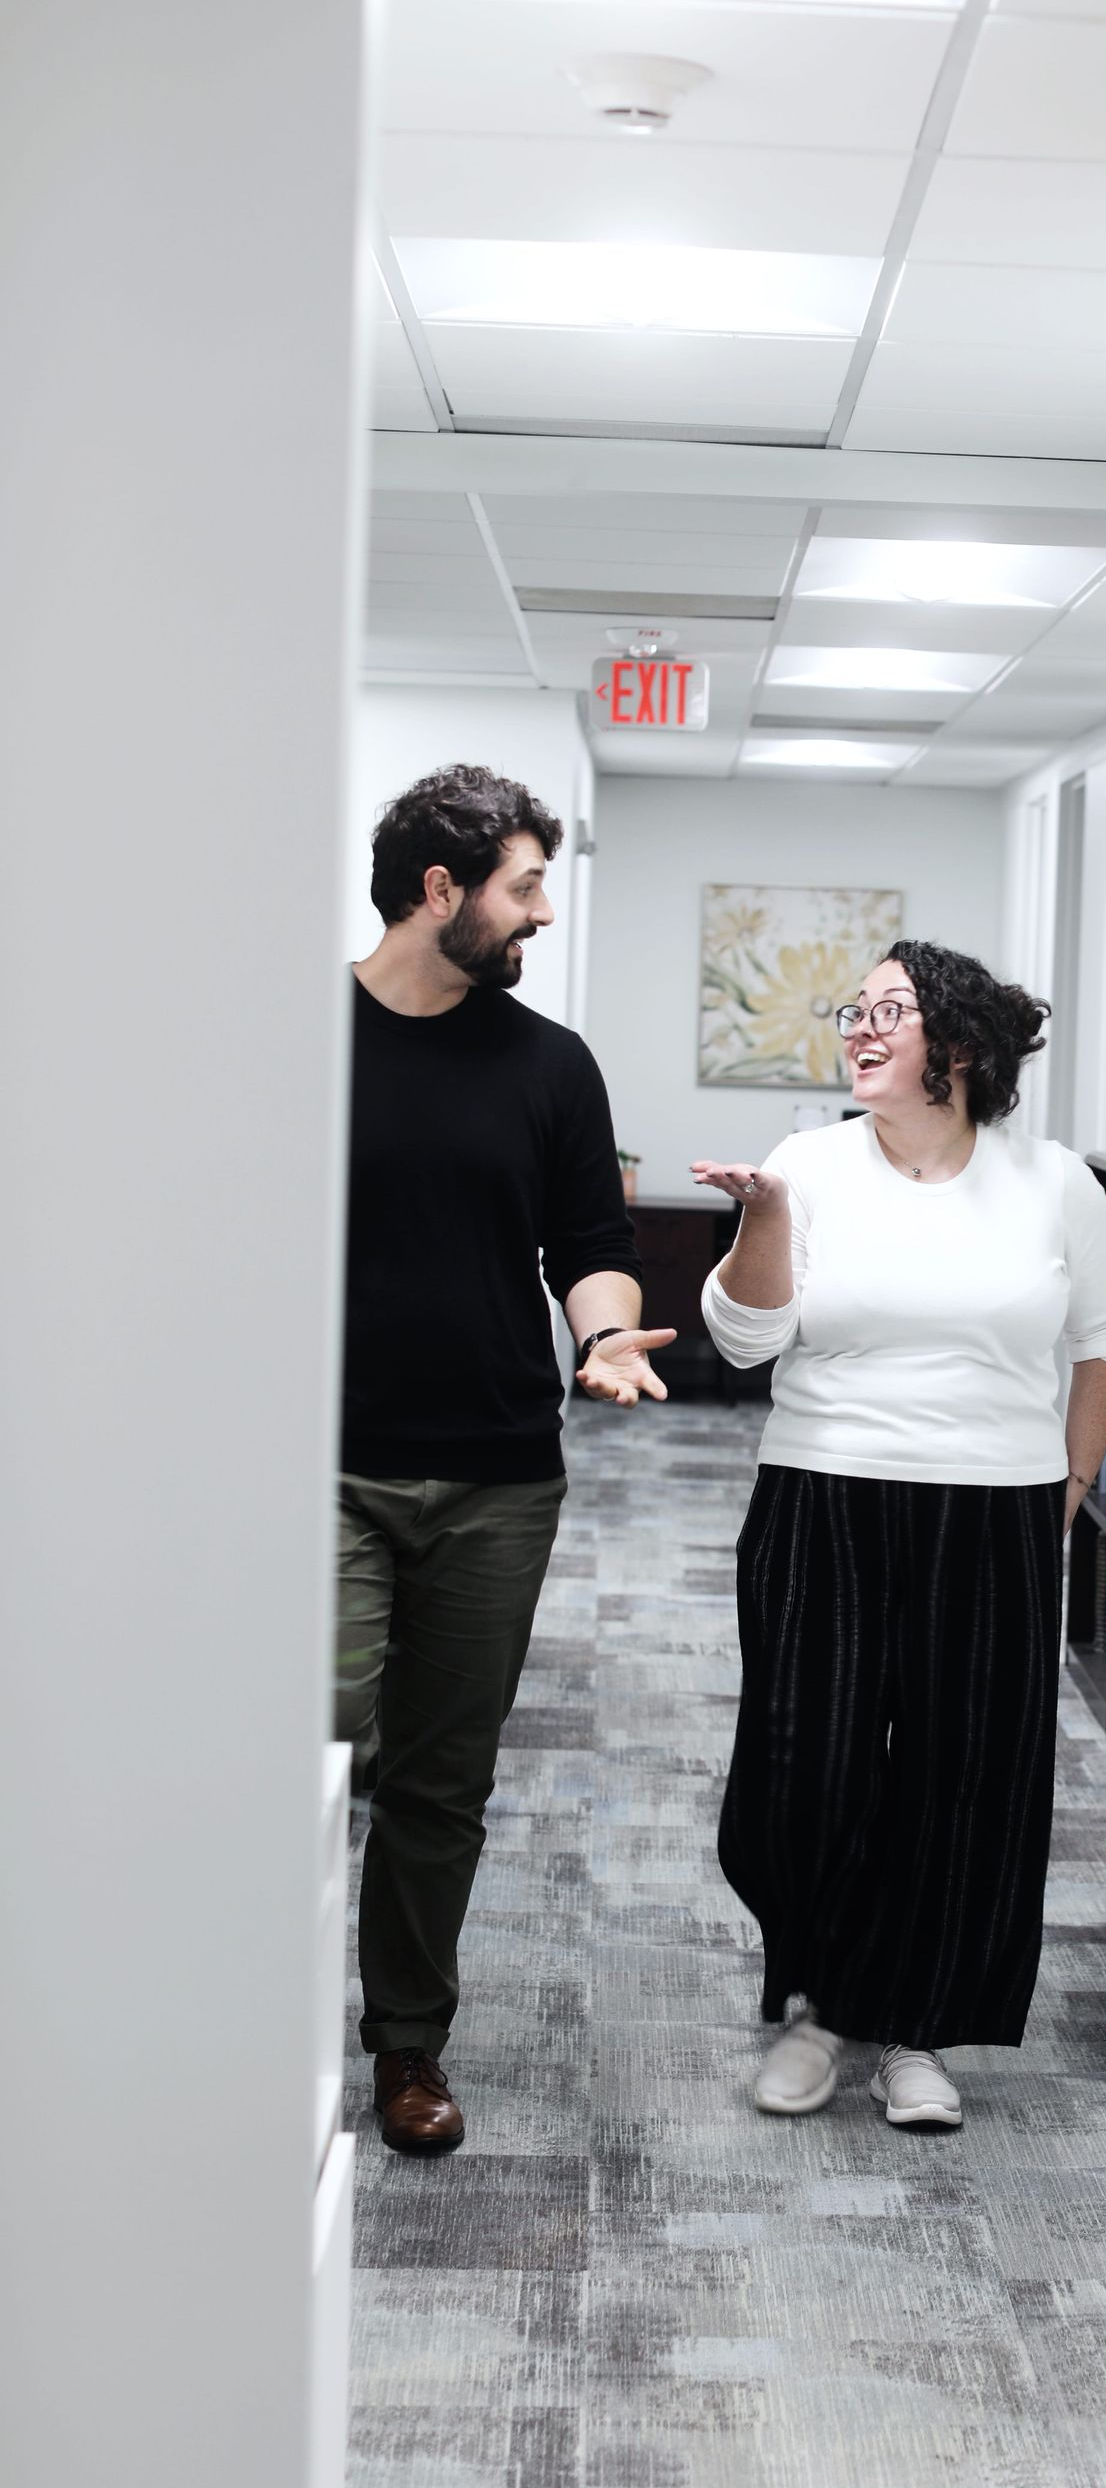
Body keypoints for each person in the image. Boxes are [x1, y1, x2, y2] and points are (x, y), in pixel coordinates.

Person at [691, 937, 1106, 2132]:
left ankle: (912, 2029)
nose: (859, 1027)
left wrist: (1073, 1477)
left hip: (993, 1508)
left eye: (888, 1010)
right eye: (854, 1009)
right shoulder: (808, 1164)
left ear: (960, 1042)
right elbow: (744, 1341)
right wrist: (764, 1218)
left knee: (964, 1775)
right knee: (807, 1768)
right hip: (822, 1492)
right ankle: (823, 2002)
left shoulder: (1053, 1184)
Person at [336, 762, 672, 2155]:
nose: (541, 912)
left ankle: (407, 2044)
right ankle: (236, 2023)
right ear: (441, 889)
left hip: (496, 1475)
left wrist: (607, 1334)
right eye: (525, 886)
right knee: (312, 1734)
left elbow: (589, 1245)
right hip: (324, 1465)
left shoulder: (549, 1065)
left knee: (440, 1779)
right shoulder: (298, 1041)